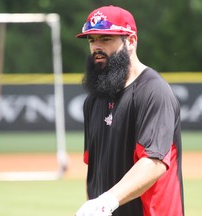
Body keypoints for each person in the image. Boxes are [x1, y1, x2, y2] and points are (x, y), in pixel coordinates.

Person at [75, 5, 184, 216]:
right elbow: (95, 172)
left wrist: (105, 202)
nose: (96, 46)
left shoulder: (153, 91)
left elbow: (154, 161)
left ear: (131, 41)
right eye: (91, 40)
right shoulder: (93, 100)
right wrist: (95, 204)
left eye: (105, 39)